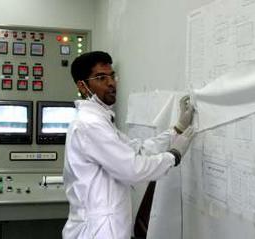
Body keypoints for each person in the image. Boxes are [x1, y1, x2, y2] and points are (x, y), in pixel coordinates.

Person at [62, 51, 195, 239]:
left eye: (112, 75)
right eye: (101, 77)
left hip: (107, 226)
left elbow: (137, 149)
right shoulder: (90, 124)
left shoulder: (102, 120)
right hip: (98, 231)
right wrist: (173, 156)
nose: (111, 83)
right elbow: (132, 169)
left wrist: (176, 130)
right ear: (83, 86)